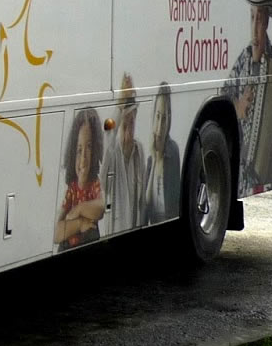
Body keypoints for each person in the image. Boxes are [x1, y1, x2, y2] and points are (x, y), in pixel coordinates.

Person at [222, 0, 272, 191]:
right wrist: (237, 106)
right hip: (239, 162)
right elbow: (224, 93)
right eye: (252, 18)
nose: (255, 27)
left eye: (260, 19)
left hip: (259, 169)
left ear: (266, 23)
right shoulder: (244, 58)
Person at [55, 108, 105, 252]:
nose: (83, 159)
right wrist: (80, 223)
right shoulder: (72, 190)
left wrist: (79, 209)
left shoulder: (94, 185)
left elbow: (101, 208)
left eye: (89, 147)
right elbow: (57, 233)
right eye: (78, 150)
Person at [105, 75, 143, 233]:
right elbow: (107, 138)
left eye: (131, 124)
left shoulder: (139, 151)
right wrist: (119, 106)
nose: (128, 134)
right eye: (124, 126)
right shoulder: (112, 154)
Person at [140, 83, 182, 225]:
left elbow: (173, 204)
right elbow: (146, 205)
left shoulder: (173, 152)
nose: (159, 127)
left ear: (169, 121)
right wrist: (155, 160)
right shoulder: (150, 159)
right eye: (158, 117)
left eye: (164, 119)